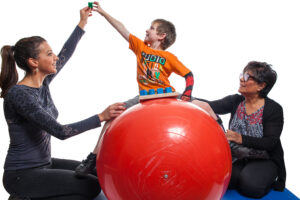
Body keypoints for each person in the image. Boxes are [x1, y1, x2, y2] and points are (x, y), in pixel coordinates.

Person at [74, 1, 220, 177]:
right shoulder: (141, 48)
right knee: (111, 117)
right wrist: (103, 13)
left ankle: (227, 144)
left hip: (167, 95)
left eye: (151, 28)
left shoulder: (169, 57)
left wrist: (186, 96)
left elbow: (189, 75)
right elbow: (122, 29)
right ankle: (92, 159)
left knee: (207, 107)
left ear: (161, 36)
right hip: (144, 97)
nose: (146, 30)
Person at [0, 6, 126, 200]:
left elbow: (65, 54)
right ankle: (24, 197)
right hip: (21, 175)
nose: (55, 57)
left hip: (44, 164)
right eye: (49, 54)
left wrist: (82, 22)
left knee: (98, 175)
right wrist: (101, 117)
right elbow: (61, 132)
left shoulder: (43, 83)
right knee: (91, 188)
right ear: (34, 62)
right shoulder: (19, 94)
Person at [195, 61, 286, 198]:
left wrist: (240, 138)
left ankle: (260, 176)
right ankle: (243, 174)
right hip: (238, 158)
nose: (241, 79)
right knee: (216, 179)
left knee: (251, 187)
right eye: (242, 75)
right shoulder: (236, 101)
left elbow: (270, 143)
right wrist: (182, 96)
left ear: (261, 86)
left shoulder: (274, 109)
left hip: (264, 159)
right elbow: (209, 105)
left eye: (247, 77)